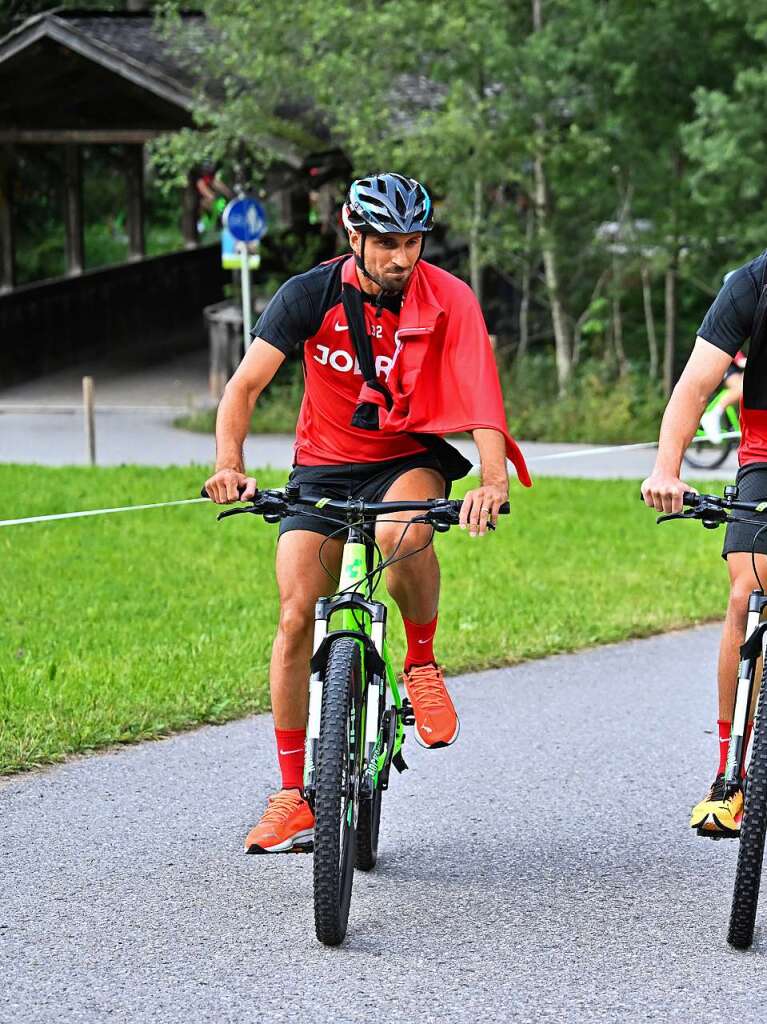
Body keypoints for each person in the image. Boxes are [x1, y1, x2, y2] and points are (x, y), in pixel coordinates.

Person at [204, 172, 531, 854]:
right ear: (352, 236)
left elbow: (480, 396)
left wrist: (491, 480)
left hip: (404, 454)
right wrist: (229, 464)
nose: (401, 257)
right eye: (385, 242)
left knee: (399, 528)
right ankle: (293, 794)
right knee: (295, 615)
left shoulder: (450, 299)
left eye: (412, 241)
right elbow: (244, 387)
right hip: (322, 464)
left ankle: (420, 664)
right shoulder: (308, 294)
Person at [641, 250, 767, 836]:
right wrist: (666, 468)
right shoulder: (752, 283)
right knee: (748, 593)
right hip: (766, 454)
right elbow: (696, 384)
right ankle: (730, 778)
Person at [699, 349, 746, 444]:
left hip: (732, 366)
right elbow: (740, 360)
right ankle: (712, 415)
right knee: (741, 388)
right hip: (722, 363)